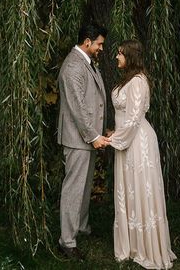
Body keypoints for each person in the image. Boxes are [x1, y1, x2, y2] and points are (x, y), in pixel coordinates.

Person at [108, 39, 176, 269]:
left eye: (120, 54)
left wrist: (113, 139)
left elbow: (135, 118)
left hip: (138, 142)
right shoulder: (129, 79)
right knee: (129, 189)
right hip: (127, 140)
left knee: (139, 188)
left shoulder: (138, 82)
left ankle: (146, 246)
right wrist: (115, 134)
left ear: (131, 57)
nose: (117, 57)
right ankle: (132, 243)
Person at [56, 22, 110, 260]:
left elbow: (93, 101)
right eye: (99, 44)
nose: (101, 48)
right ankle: (66, 242)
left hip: (87, 138)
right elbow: (77, 107)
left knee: (84, 188)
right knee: (73, 190)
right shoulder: (72, 66)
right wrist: (93, 136)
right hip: (78, 139)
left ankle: (81, 227)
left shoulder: (86, 63)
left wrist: (100, 131)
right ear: (87, 41)